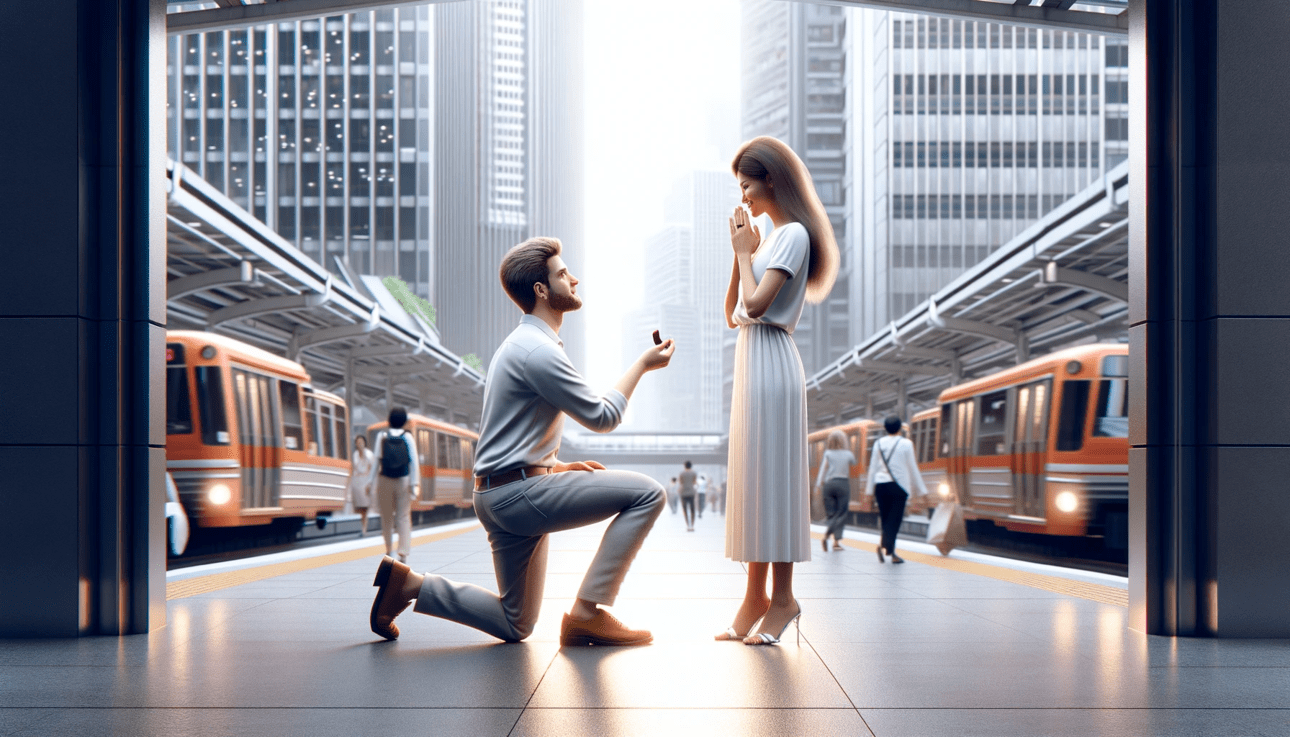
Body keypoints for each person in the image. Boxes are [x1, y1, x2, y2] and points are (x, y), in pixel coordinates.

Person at [368, 236, 675, 646]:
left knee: (517, 623)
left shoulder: (521, 346)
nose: (575, 279)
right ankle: (589, 612)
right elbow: (604, 417)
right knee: (648, 494)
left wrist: (556, 467)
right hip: (519, 495)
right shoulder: (537, 351)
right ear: (542, 291)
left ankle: (408, 585)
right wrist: (642, 364)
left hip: (499, 494)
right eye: (564, 274)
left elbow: (512, 433)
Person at [720, 136, 840, 647]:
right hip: (753, 365)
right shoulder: (766, 240)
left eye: (746, 182)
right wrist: (739, 252)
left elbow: (760, 305)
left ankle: (784, 596)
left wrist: (748, 255)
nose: (742, 193)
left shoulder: (792, 235)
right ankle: (755, 597)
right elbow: (733, 313)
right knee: (754, 483)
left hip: (772, 365)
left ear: (770, 178)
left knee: (775, 482)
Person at [865, 415, 929, 564]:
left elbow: (872, 469)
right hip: (899, 488)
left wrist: (868, 492)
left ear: (885, 429)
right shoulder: (906, 444)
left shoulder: (878, 444)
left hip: (881, 486)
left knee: (886, 518)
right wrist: (923, 492)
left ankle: (887, 548)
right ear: (900, 428)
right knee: (894, 520)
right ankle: (890, 552)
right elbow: (913, 469)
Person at [372, 408, 419, 562]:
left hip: (385, 480)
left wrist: (369, 482)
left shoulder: (382, 436)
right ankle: (403, 553)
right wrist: (414, 484)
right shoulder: (408, 437)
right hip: (403, 480)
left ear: (389, 420)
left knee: (386, 517)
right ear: (404, 421)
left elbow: (376, 461)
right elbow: (414, 463)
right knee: (403, 517)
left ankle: (388, 550)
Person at [814, 430, 856, 552]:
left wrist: (817, 485)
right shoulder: (848, 454)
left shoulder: (827, 453)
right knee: (841, 514)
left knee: (831, 513)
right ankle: (835, 542)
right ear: (843, 441)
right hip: (842, 484)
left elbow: (823, 469)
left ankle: (830, 536)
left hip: (829, 485)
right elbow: (853, 463)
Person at [347, 435, 376, 537]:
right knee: (358, 508)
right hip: (356, 483)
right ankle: (362, 526)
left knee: (365, 507)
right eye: (358, 442)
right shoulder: (354, 455)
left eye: (361, 442)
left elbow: (373, 469)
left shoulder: (369, 454)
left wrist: (371, 483)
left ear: (365, 443)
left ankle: (363, 528)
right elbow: (353, 469)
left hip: (365, 482)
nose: (359, 444)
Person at [678, 461, 698, 531]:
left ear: (684, 466)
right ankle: (692, 525)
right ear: (691, 466)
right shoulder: (694, 473)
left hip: (683, 492)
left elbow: (680, 482)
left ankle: (687, 525)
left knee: (685, 509)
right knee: (692, 509)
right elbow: (694, 482)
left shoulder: (682, 473)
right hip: (691, 492)